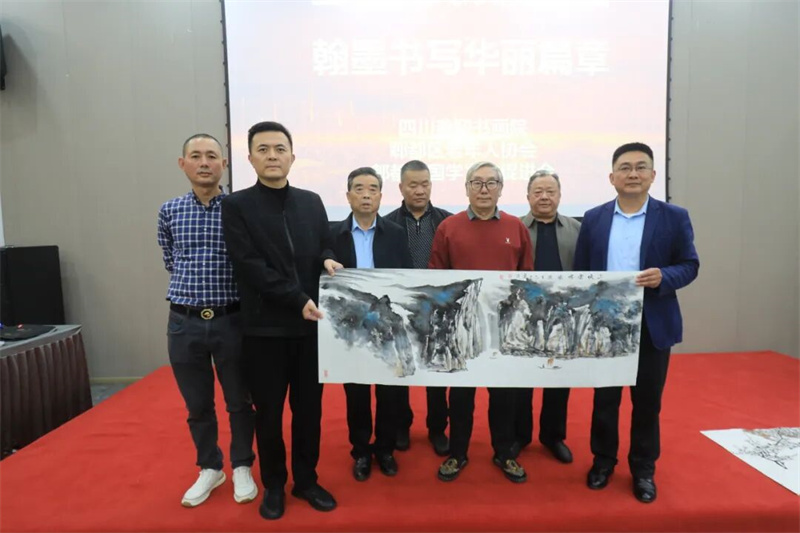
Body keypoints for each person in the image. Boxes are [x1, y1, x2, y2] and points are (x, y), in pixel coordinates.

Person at [221, 121, 343, 520]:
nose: (272, 156)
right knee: (270, 413)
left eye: (279, 149)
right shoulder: (236, 206)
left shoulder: (311, 201)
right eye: (263, 149)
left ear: (292, 156)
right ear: (250, 157)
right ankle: (274, 484)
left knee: (309, 411)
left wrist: (328, 258)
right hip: (264, 329)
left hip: (310, 329)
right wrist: (296, 298)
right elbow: (249, 265)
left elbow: (324, 242)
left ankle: (306, 480)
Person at [574, 142, 699, 503]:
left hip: (651, 322)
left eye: (640, 167)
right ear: (612, 177)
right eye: (625, 168)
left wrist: (664, 277)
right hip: (604, 323)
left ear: (653, 175)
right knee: (605, 400)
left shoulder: (674, 217)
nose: (633, 174)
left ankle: (643, 470)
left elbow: (690, 264)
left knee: (647, 402)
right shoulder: (594, 218)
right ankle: (603, 461)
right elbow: (582, 271)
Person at [157, 133, 257, 508]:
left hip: (232, 319)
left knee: (239, 401)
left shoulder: (240, 209)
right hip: (184, 322)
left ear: (224, 164)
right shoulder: (169, 211)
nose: (204, 163)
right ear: (182, 163)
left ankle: (242, 465)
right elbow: (171, 259)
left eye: (212, 156)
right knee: (197, 404)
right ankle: (210, 467)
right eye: (196, 156)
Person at [428, 161, 534, 484]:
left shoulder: (517, 227)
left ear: (501, 188)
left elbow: (528, 278)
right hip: (463, 329)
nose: (484, 189)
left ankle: (504, 453)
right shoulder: (448, 228)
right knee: (461, 396)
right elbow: (437, 278)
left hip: (503, 330)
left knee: (504, 396)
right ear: (466, 188)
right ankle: (457, 453)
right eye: (477, 182)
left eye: (491, 183)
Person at [330, 167, 413, 481]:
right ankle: (362, 451)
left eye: (373, 189)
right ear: (348, 195)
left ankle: (385, 449)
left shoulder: (396, 233)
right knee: (357, 393)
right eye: (359, 189)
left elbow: (406, 274)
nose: (366, 195)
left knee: (390, 391)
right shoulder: (333, 234)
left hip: (387, 325)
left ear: (380, 195)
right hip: (352, 327)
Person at [384, 160, 453, 456]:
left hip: (436, 309)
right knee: (401, 367)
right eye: (413, 185)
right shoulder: (387, 223)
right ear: (401, 187)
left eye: (425, 184)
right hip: (400, 308)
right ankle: (402, 426)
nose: (420, 190)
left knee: (437, 371)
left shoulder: (447, 222)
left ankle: (437, 428)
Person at [514, 169, 582, 464]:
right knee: (521, 378)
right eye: (538, 191)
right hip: (526, 312)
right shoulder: (514, 227)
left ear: (560, 195)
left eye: (550, 191)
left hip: (562, 313)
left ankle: (553, 436)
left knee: (558, 377)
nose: (544, 197)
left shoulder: (576, 229)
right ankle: (519, 435)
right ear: (528, 196)